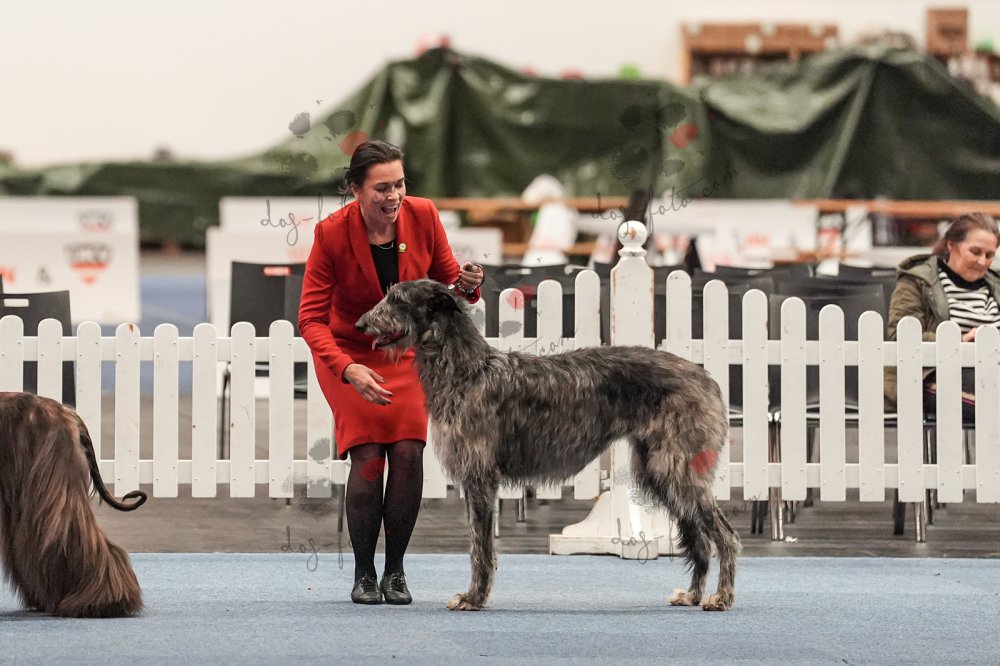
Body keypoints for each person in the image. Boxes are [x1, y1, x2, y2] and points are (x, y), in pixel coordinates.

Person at [298, 140, 484, 605]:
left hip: (405, 356)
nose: (394, 195)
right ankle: (364, 573)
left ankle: (395, 571)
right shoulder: (331, 234)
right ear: (355, 189)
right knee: (368, 453)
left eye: (400, 184)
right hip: (349, 353)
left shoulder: (423, 215)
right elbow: (311, 320)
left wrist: (470, 284)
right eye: (382, 188)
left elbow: (448, 288)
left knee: (406, 451)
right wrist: (347, 369)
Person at [885, 213, 1000, 421]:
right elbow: (900, 337)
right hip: (931, 375)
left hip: (992, 372)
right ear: (951, 245)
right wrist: (961, 340)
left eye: (990, 255)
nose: (982, 261)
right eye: (975, 252)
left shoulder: (996, 285)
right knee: (992, 405)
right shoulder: (917, 281)